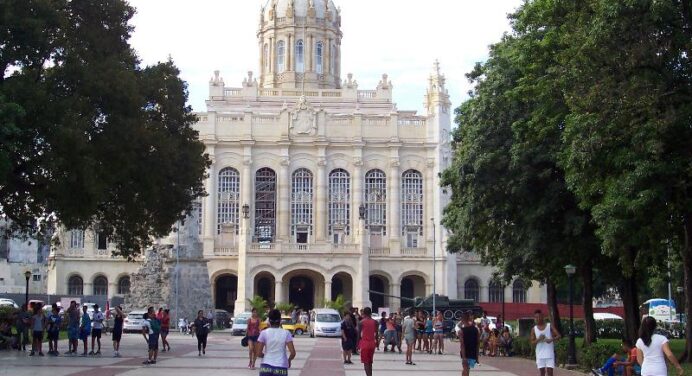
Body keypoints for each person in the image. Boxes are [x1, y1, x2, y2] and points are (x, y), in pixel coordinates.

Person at [256, 309, 296, 376]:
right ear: (280, 320)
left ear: (269, 320)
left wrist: (265, 355)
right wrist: (289, 360)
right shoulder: (286, 333)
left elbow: (258, 353)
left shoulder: (264, 333)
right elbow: (293, 353)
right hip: (281, 367)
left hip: (266, 367)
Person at [530, 309, 561, 376]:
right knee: (542, 373)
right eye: (536, 318)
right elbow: (532, 342)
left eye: (539, 317)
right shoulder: (534, 329)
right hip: (540, 354)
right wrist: (538, 339)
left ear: (542, 317)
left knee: (550, 373)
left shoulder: (549, 326)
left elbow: (558, 335)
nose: (537, 319)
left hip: (549, 353)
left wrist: (551, 339)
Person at [358, 307, 378, 376]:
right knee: (370, 362)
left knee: (365, 363)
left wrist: (357, 345)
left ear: (364, 313)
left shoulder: (361, 322)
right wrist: (377, 343)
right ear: (371, 313)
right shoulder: (375, 322)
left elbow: (358, 335)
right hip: (372, 344)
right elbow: (377, 334)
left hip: (364, 344)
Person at [459, 311, 480, 376]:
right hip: (473, 352)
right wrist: (477, 356)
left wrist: (464, 357)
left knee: (465, 368)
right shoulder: (476, 330)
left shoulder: (461, 331)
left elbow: (462, 345)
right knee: (467, 369)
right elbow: (478, 343)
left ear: (463, 319)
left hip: (465, 352)